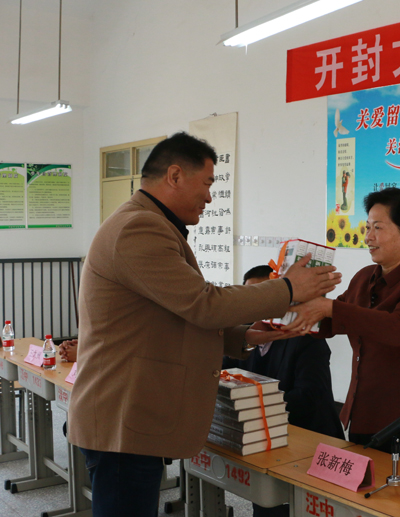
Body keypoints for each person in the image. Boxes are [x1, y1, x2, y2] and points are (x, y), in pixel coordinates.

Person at [67, 131, 341, 517]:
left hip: (131, 415)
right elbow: (203, 304)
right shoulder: (139, 228)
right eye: (208, 183)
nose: (210, 197)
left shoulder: (148, 223)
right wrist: (289, 288)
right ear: (175, 175)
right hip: (123, 419)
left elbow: (177, 314)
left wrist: (246, 334)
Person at [286, 187, 400, 465]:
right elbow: (331, 321)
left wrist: (329, 307)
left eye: (378, 228)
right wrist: (289, 308)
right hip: (364, 413)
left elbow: (399, 328)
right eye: (368, 227)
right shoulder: (364, 278)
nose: (368, 237)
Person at [223, 265, 344, 517]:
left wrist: (252, 406)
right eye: (249, 296)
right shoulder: (242, 337)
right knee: (266, 504)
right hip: (263, 441)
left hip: (309, 442)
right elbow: (224, 376)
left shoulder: (306, 339)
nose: (255, 304)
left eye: (263, 295)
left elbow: (309, 396)